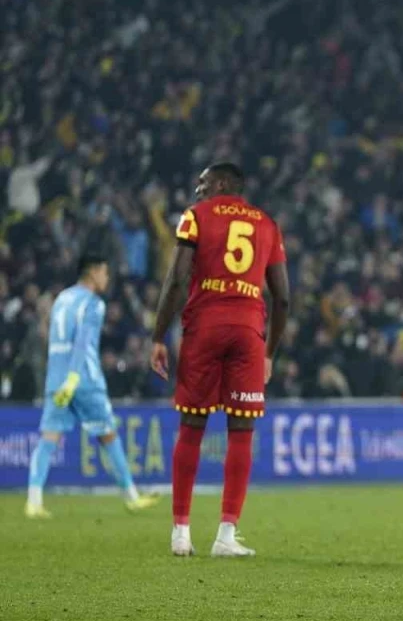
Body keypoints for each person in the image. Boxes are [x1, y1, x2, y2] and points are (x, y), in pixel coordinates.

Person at [150, 163, 290, 557]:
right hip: (248, 331)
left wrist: (158, 336)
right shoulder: (268, 224)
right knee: (241, 429)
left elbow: (177, 279)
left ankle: (181, 532)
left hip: (204, 328)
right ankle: (226, 536)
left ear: (224, 184)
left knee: (191, 426)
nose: (198, 189)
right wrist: (269, 352)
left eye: (204, 182)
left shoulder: (194, 217)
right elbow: (282, 298)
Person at [24, 255, 160, 518]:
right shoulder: (94, 304)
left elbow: (52, 339)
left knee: (48, 438)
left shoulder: (62, 299)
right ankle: (131, 497)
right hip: (83, 379)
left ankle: (33, 501)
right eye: (105, 273)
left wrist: (60, 377)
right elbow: (82, 343)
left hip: (56, 377)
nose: (106, 278)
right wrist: (74, 378)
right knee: (108, 434)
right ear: (94, 272)